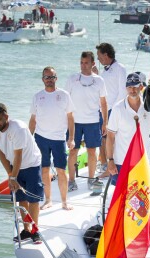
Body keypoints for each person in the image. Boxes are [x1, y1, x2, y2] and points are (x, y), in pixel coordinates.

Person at [0, 103, 43, 244]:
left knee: (33, 199)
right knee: (21, 199)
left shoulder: (18, 128)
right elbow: (0, 152)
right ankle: (26, 229)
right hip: (15, 166)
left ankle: (35, 230)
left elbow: (18, 155)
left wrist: (13, 177)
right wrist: (10, 174)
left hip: (31, 164)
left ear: (6, 117)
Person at [29, 67, 75, 210]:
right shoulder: (37, 96)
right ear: (43, 79)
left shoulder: (64, 95)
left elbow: (70, 117)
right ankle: (48, 200)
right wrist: (29, 139)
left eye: (52, 77)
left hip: (58, 138)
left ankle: (64, 201)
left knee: (61, 170)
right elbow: (32, 119)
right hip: (41, 137)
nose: (49, 80)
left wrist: (71, 138)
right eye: (47, 77)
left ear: (56, 78)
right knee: (44, 170)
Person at [65, 51, 108, 191]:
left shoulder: (99, 81)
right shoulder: (72, 79)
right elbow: (65, 101)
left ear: (93, 64)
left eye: (86, 63)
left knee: (92, 151)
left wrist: (105, 123)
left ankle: (91, 180)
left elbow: (104, 103)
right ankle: (71, 181)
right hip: (75, 122)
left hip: (93, 121)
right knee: (73, 152)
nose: (83, 66)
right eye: (82, 63)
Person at [95, 43, 127, 177]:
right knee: (101, 138)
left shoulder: (120, 68)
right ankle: (104, 165)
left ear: (106, 55)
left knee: (110, 138)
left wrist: (114, 110)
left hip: (112, 109)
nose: (98, 59)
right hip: (102, 109)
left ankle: (110, 168)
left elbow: (122, 91)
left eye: (99, 56)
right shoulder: (104, 71)